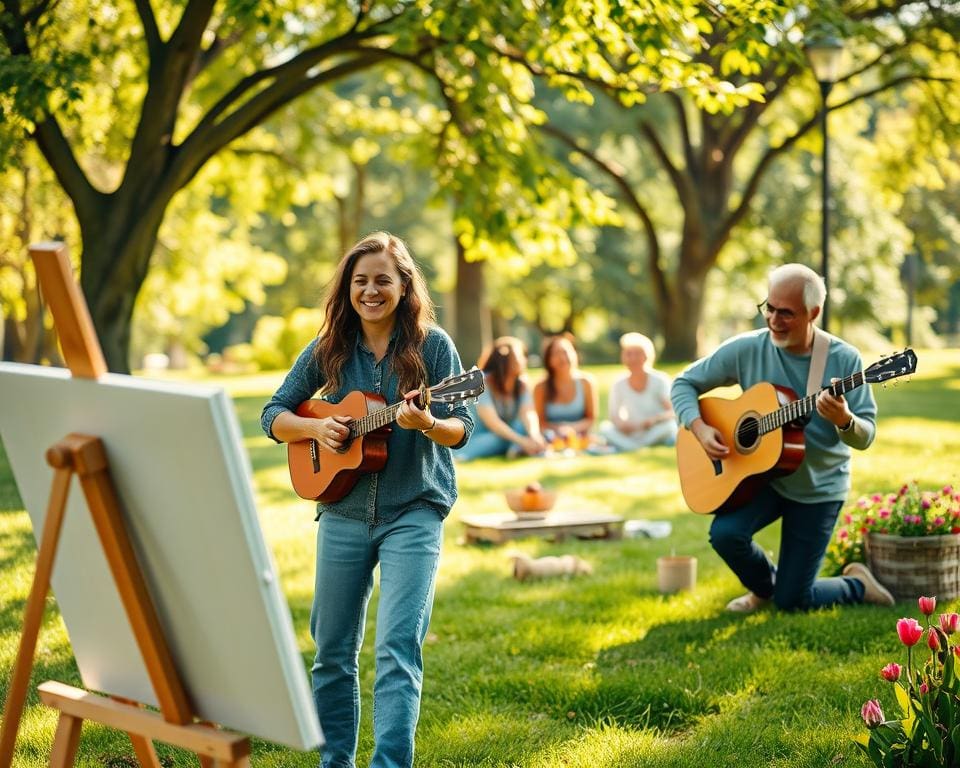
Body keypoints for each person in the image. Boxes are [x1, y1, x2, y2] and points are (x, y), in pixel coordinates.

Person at [260, 232, 473, 768]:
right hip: (343, 511)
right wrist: (316, 429)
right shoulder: (329, 347)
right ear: (347, 288)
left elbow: (461, 428)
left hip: (414, 509)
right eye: (360, 281)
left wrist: (427, 423)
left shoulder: (433, 346)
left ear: (404, 286)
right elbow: (274, 414)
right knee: (332, 653)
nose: (371, 291)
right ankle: (335, 762)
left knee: (397, 649)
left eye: (383, 280)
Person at [670, 263, 894, 613]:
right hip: (765, 478)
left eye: (786, 313)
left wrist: (844, 419)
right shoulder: (746, 348)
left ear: (813, 313)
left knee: (794, 601)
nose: (774, 320)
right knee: (726, 535)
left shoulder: (843, 359)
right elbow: (683, 383)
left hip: (818, 488)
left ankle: (856, 584)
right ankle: (764, 588)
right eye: (769, 308)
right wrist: (698, 426)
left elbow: (866, 436)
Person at [456, 336, 547, 460]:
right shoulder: (481, 382)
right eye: (520, 356)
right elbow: (493, 423)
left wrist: (534, 435)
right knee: (499, 439)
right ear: (504, 359)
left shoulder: (521, 383)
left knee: (521, 428)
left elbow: (528, 412)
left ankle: (519, 447)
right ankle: (517, 447)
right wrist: (522, 441)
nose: (524, 360)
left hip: (507, 432)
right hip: (480, 436)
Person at [599, 332, 678, 451]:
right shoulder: (618, 384)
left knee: (670, 426)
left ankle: (630, 446)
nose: (633, 358)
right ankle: (636, 446)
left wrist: (654, 420)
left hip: (655, 429)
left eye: (637, 354)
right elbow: (614, 416)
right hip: (632, 432)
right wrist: (622, 425)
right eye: (628, 354)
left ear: (647, 356)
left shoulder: (659, 380)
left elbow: (673, 412)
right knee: (605, 428)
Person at [533, 333, 598, 444]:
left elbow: (591, 418)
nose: (563, 358)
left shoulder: (586, 382)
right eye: (557, 353)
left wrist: (572, 429)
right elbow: (540, 422)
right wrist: (559, 430)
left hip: (580, 437)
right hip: (550, 438)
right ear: (548, 359)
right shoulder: (540, 387)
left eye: (566, 352)